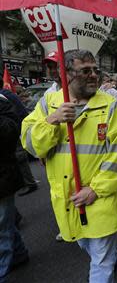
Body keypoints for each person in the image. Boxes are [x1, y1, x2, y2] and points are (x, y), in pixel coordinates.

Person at [21, 49, 117, 283]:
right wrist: (52, 121)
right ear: (66, 74)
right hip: (67, 200)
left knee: (100, 263)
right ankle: (113, 256)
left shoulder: (112, 106)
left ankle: (109, 258)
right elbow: (31, 145)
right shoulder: (49, 103)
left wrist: (95, 190)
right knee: (86, 244)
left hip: (99, 197)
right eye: (85, 71)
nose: (93, 75)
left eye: (95, 70)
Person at [0, 94, 29, 283]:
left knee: (1, 227)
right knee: (4, 224)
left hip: (2, 175)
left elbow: (11, 131)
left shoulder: (2, 102)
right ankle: (18, 252)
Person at [0, 78, 38, 197]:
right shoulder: (6, 94)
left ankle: (30, 183)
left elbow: (14, 114)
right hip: (18, 125)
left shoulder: (4, 96)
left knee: (20, 156)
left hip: (18, 126)